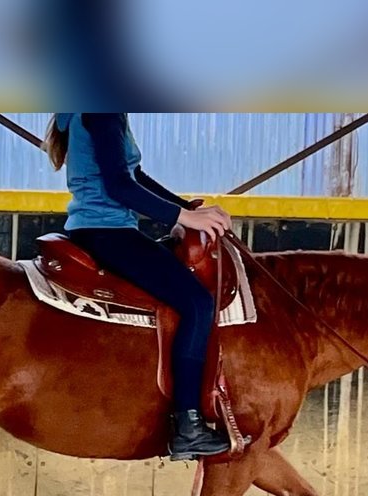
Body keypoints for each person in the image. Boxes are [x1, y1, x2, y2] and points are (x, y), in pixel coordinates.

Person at [44, 113, 234, 461]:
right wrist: (184, 218)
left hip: (98, 229)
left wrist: (184, 209)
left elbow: (135, 175)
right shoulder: (103, 109)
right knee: (197, 303)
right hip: (109, 232)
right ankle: (188, 425)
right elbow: (120, 186)